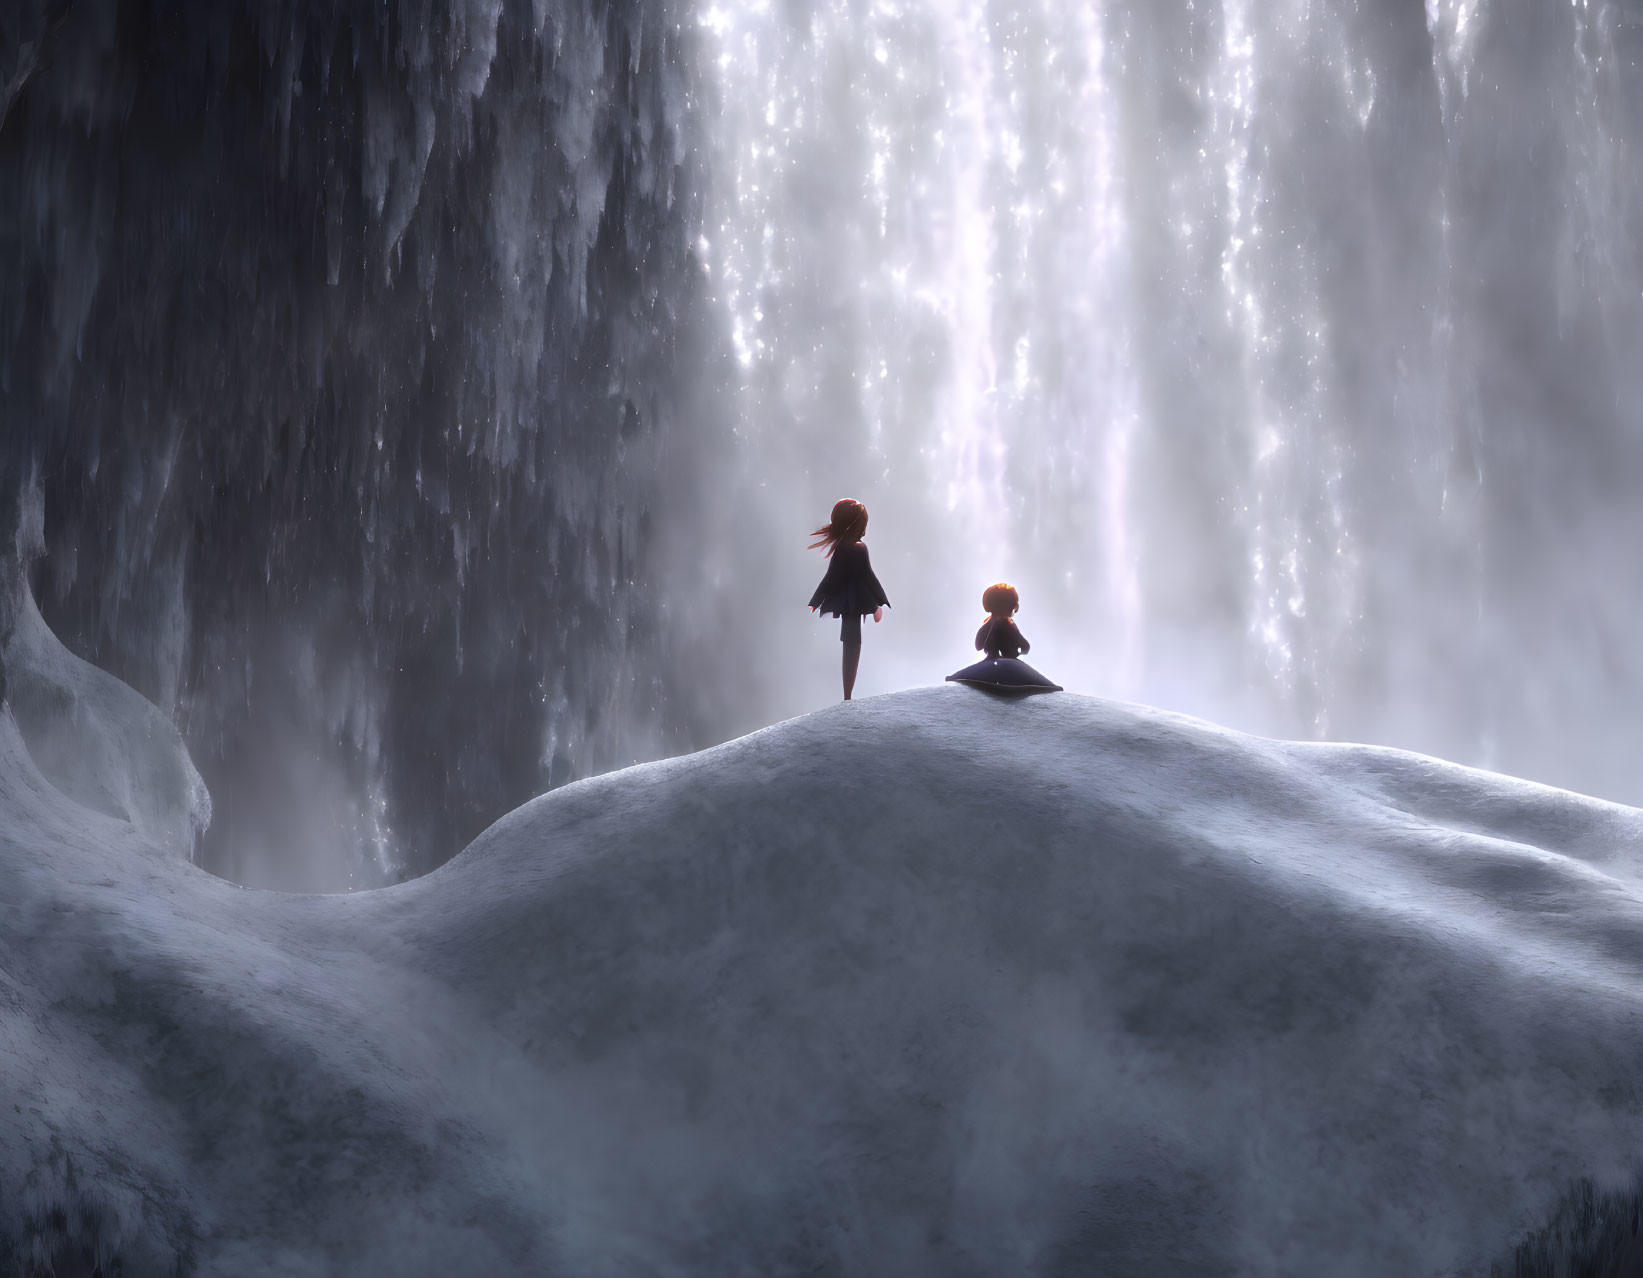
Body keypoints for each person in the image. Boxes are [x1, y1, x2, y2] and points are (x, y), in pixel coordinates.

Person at [807, 498, 890, 700]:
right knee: (853, 645)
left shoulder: (842, 548)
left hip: (849, 602)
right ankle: (847, 694)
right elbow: (868, 576)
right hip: (857, 601)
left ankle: (847, 694)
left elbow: (831, 577)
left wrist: (816, 600)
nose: (865, 530)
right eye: (863, 525)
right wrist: (880, 601)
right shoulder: (858, 548)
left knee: (850, 644)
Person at [947, 581, 1061, 694]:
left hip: (991, 659)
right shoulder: (1006, 623)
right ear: (1011, 605)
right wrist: (1020, 651)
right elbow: (1025, 645)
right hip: (1009, 662)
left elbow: (978, 645)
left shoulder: (989, 624)